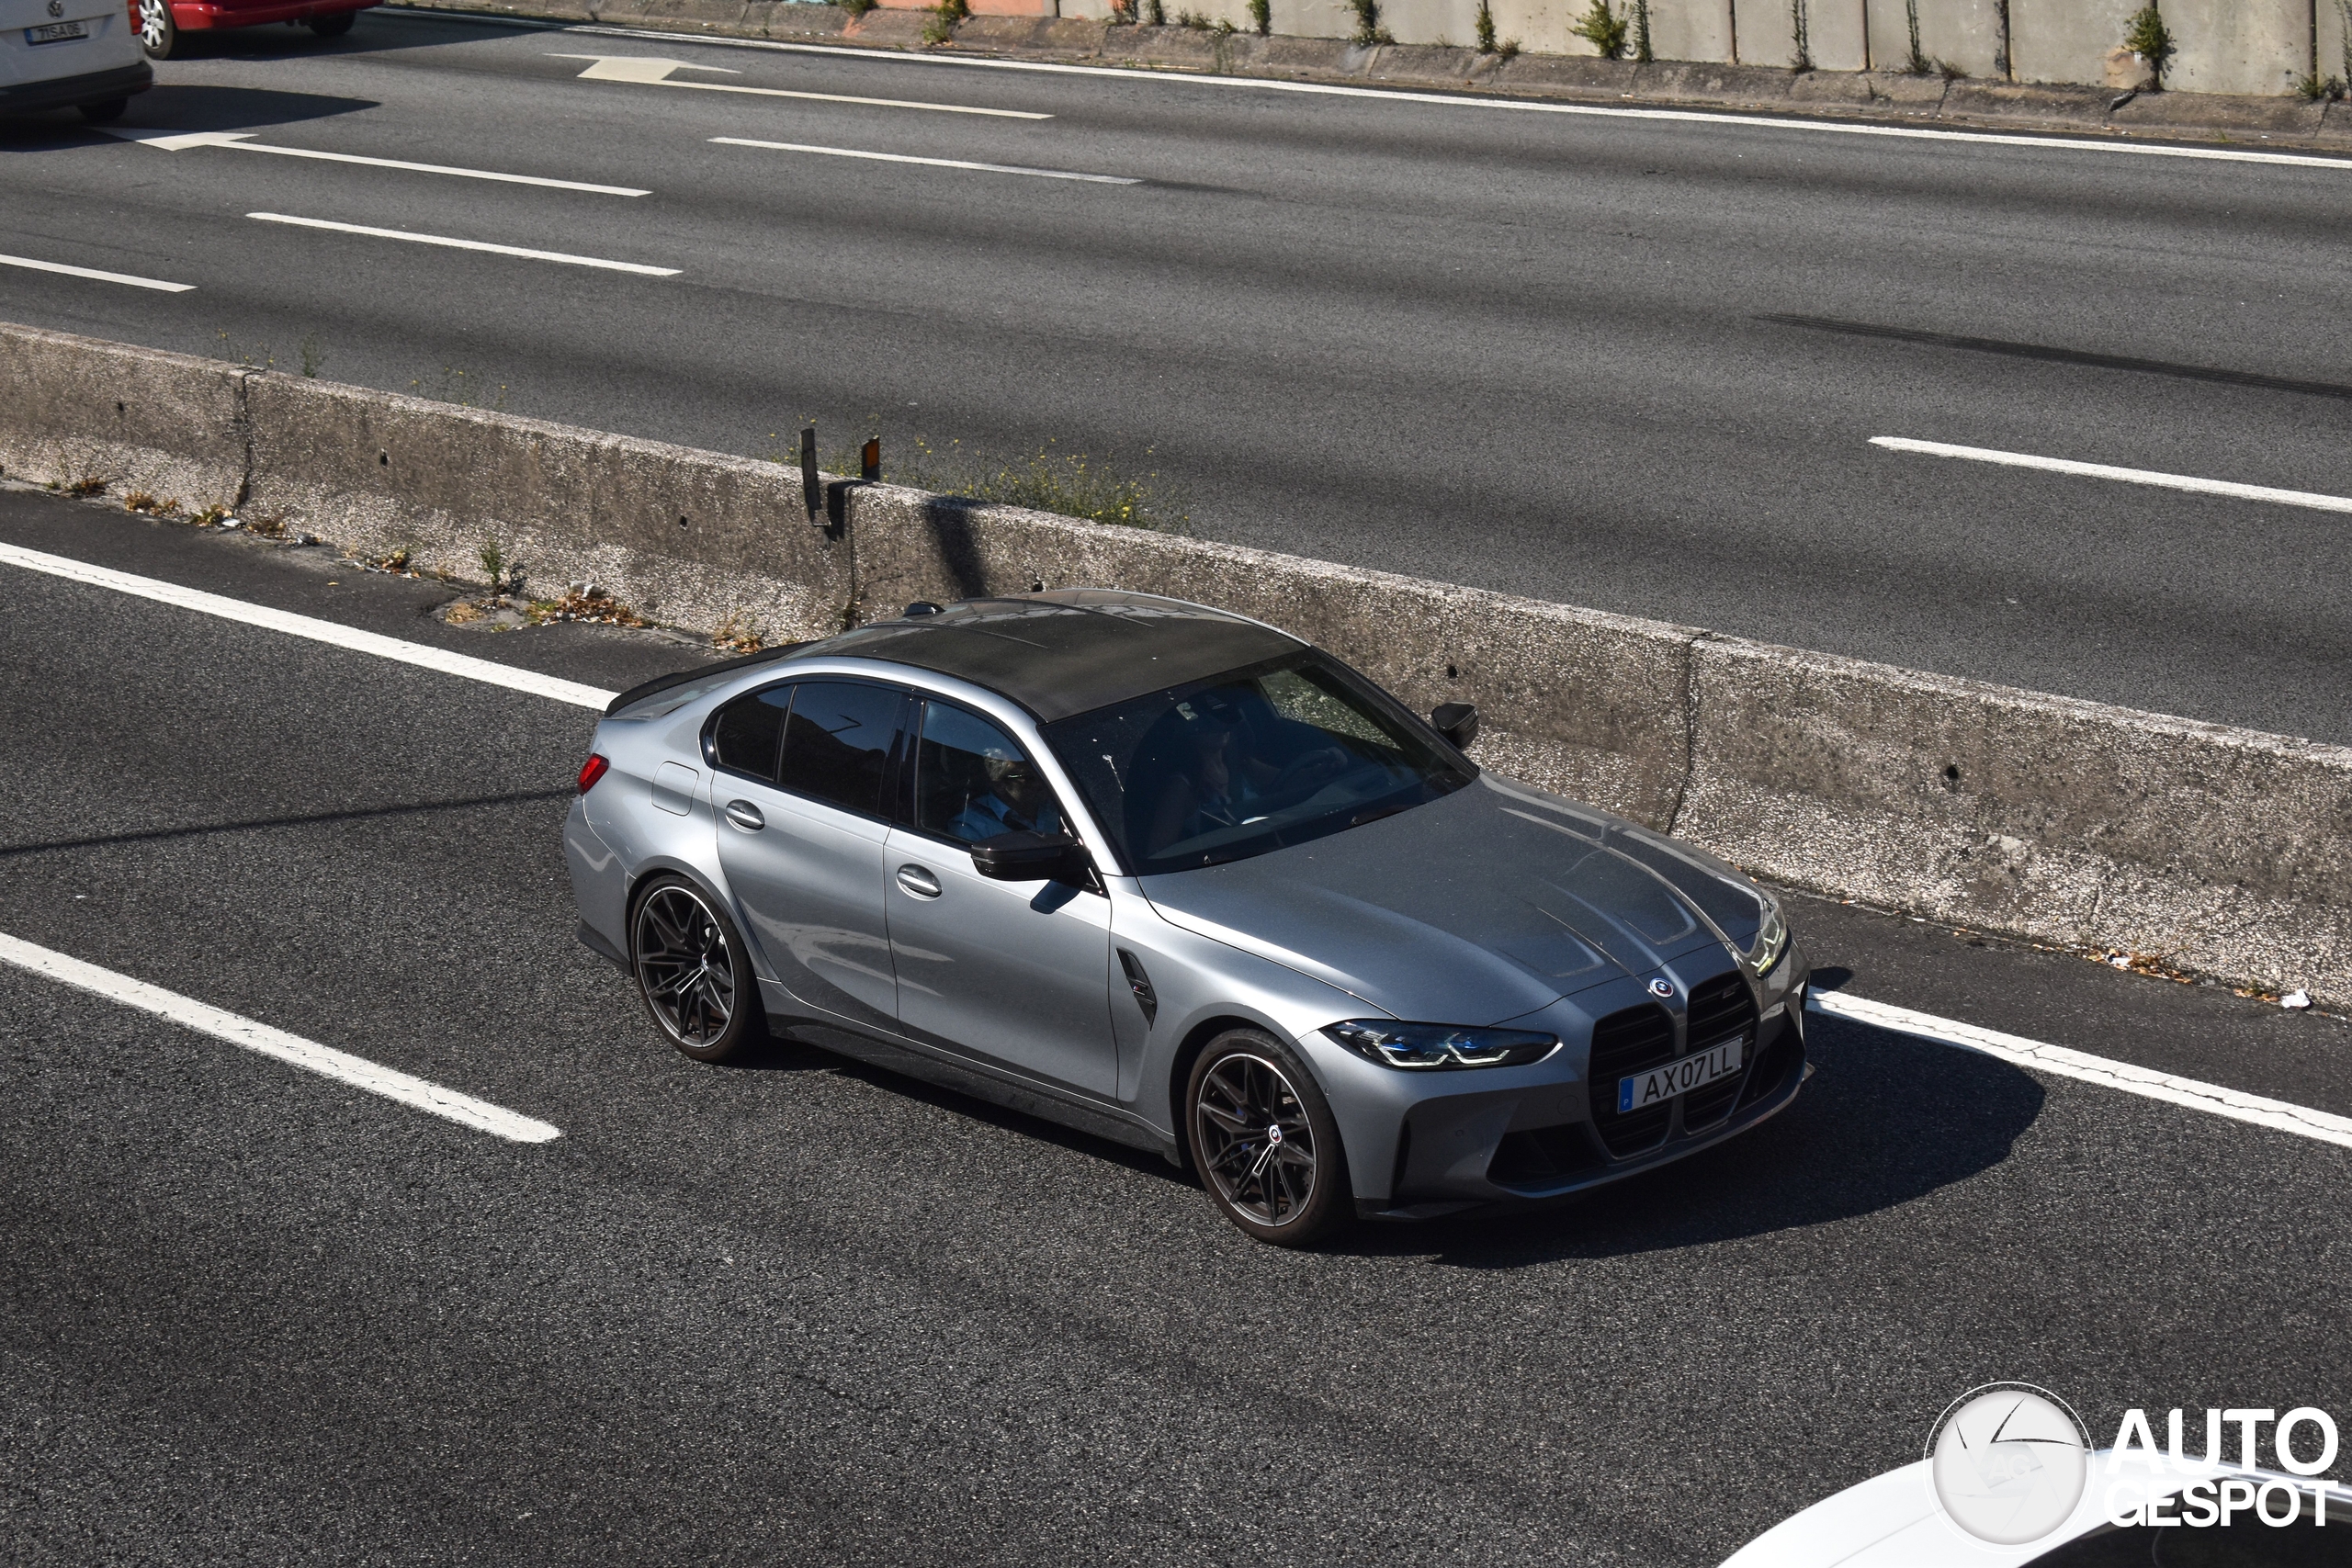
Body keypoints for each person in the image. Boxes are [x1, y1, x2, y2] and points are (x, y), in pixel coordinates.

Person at [951, 747, 1065, 843]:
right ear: (999, 785)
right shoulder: (972, 826)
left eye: (1041, 774)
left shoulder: (1055, 805)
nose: (1039, 782)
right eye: (1028, 777)